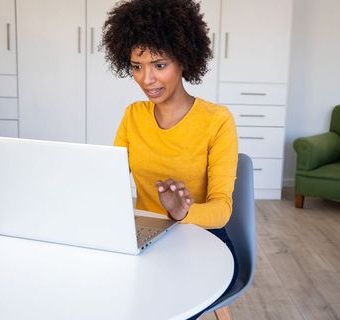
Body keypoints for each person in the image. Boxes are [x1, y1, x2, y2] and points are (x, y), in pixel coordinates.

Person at [102, 0, 238, 316]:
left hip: (202, 239)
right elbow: (106, 180)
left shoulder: (217, 120)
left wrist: (181, 213)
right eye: (137, 66)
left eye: (159, 65)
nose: (146, 79)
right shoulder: (133, 116)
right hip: (145, 240)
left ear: (184, 59)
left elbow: (222, 210)